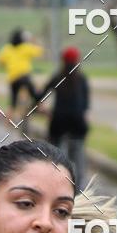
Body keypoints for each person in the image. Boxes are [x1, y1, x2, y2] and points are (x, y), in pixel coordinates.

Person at [36, 46, 90, 190]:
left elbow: (40, 96)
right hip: (77, 121)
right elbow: (85, 106)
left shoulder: (57, 77)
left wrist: (44, 109)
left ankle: (57, 185)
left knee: (56, 154)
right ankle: (78, 190)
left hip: (58, 120)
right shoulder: (82, 79)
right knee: (78, 154)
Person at [0, 29, 44, 123]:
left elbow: (0, 62)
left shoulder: (7, 48)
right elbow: (40, 51)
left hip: (13, 79)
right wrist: (33, 41)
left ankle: (7, 123)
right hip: (25, 77)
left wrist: (7, 64)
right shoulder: (26, 47)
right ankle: (41, 109)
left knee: (12, 102)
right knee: (36, 95)